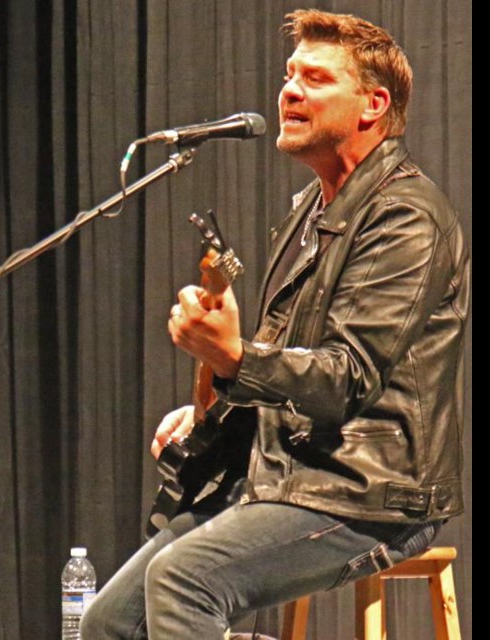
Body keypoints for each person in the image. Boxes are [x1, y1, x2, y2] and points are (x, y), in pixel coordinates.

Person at [81, 10, 469, 639]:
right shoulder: (306, 214)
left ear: (373, 105)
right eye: (290, 75)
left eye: (314, 79)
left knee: (184, 581)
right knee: (110, 622)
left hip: (369, 491)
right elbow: (284, 364)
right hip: (285, 476)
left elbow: (345, 379)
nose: (289, 90)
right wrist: (211, 413)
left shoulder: (406, 218)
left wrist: (234, 358)